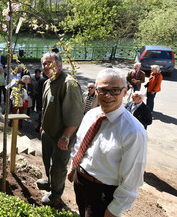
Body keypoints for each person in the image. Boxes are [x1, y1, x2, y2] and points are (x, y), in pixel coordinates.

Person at [67, 68, 148, 217]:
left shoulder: (134, 132)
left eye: (115, 90)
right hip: (81, 181)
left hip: (104, 193)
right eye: (103, 90)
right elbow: (80, 143)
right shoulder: (91, 115)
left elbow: (132, 178)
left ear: (125, 92)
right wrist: (74, 166)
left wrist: (115, 209)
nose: (108, 95)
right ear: (96, 91)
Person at [36, 52, 84, 207]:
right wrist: (43, 125)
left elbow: (76, 114)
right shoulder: (47, 82)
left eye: (49, 63)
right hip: (48, 132)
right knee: (47, 160)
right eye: (43, 63)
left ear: (59, 64)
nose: (46, 66)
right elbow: (46, 107)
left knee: (58, 167)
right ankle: (50, 182)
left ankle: (56, 194)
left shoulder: (69, 83)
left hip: (62, 137)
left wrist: (66, 136)